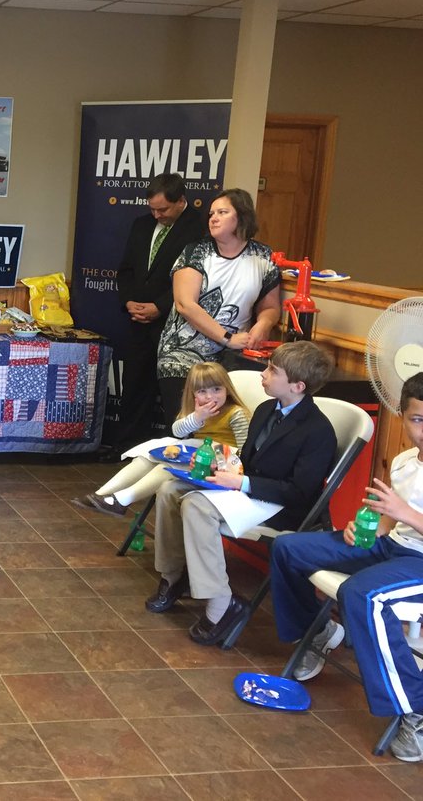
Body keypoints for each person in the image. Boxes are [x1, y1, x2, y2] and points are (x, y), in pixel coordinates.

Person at [269, 372, 423, 761]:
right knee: (287, 547)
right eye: (418, 419)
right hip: (393, 546)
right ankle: (319, 631)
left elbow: (405, 514)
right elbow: (388, 520)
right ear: (403, 418)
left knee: (363, 595)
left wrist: (405, 514)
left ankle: (416, 711)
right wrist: (363, 528)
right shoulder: (404, 461)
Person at [147, 341, 336, 646]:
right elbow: (245, 458)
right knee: (169, 489)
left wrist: (241, 483)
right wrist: (215, 465)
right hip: (248, 490)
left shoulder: (318, 431)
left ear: (297, 386)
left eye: (272, 370)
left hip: (278, 504)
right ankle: (175, 575)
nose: (263, 374)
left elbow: (300, 492)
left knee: (195, 505)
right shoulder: (265, 409)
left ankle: (221, 604)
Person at [155, 188, 281, 426]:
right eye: (211, 213)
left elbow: (271, 306)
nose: (213, 218)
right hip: (184, 353)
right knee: (187, 426)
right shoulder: (196, 251)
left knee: (230, 426)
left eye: (222, 212)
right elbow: (185, 304)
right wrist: (227, 337)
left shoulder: (263, 256)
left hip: (233, 356)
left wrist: (264, 324)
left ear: (241, 216)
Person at [103, 172, 203, 458]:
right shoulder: (141, 224)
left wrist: (160, 306)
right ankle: (127, 448)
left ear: (181, 201)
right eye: (153, 209)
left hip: (174, 325)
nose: (157, 215)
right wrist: (129, 302)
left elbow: (198, 279)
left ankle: (172, 453)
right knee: (134, 384)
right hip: (138, 321)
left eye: (163, 209)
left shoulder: (198, 228)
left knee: (173, 393)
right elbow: (126, 270)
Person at [76, 361, 250, 517]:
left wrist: (218, 460)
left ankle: (122, 500)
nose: (210, 397)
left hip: (221, 462)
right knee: (146, 457)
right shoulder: (198, 412)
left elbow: (245, 451)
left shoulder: (235, 413)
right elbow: (178, 431)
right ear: (193, 394)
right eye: (202, 391)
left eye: (217, 389)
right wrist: (197, 417)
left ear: (227, 390)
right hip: (199, 453)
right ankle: (100, 494)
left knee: (167, 467)